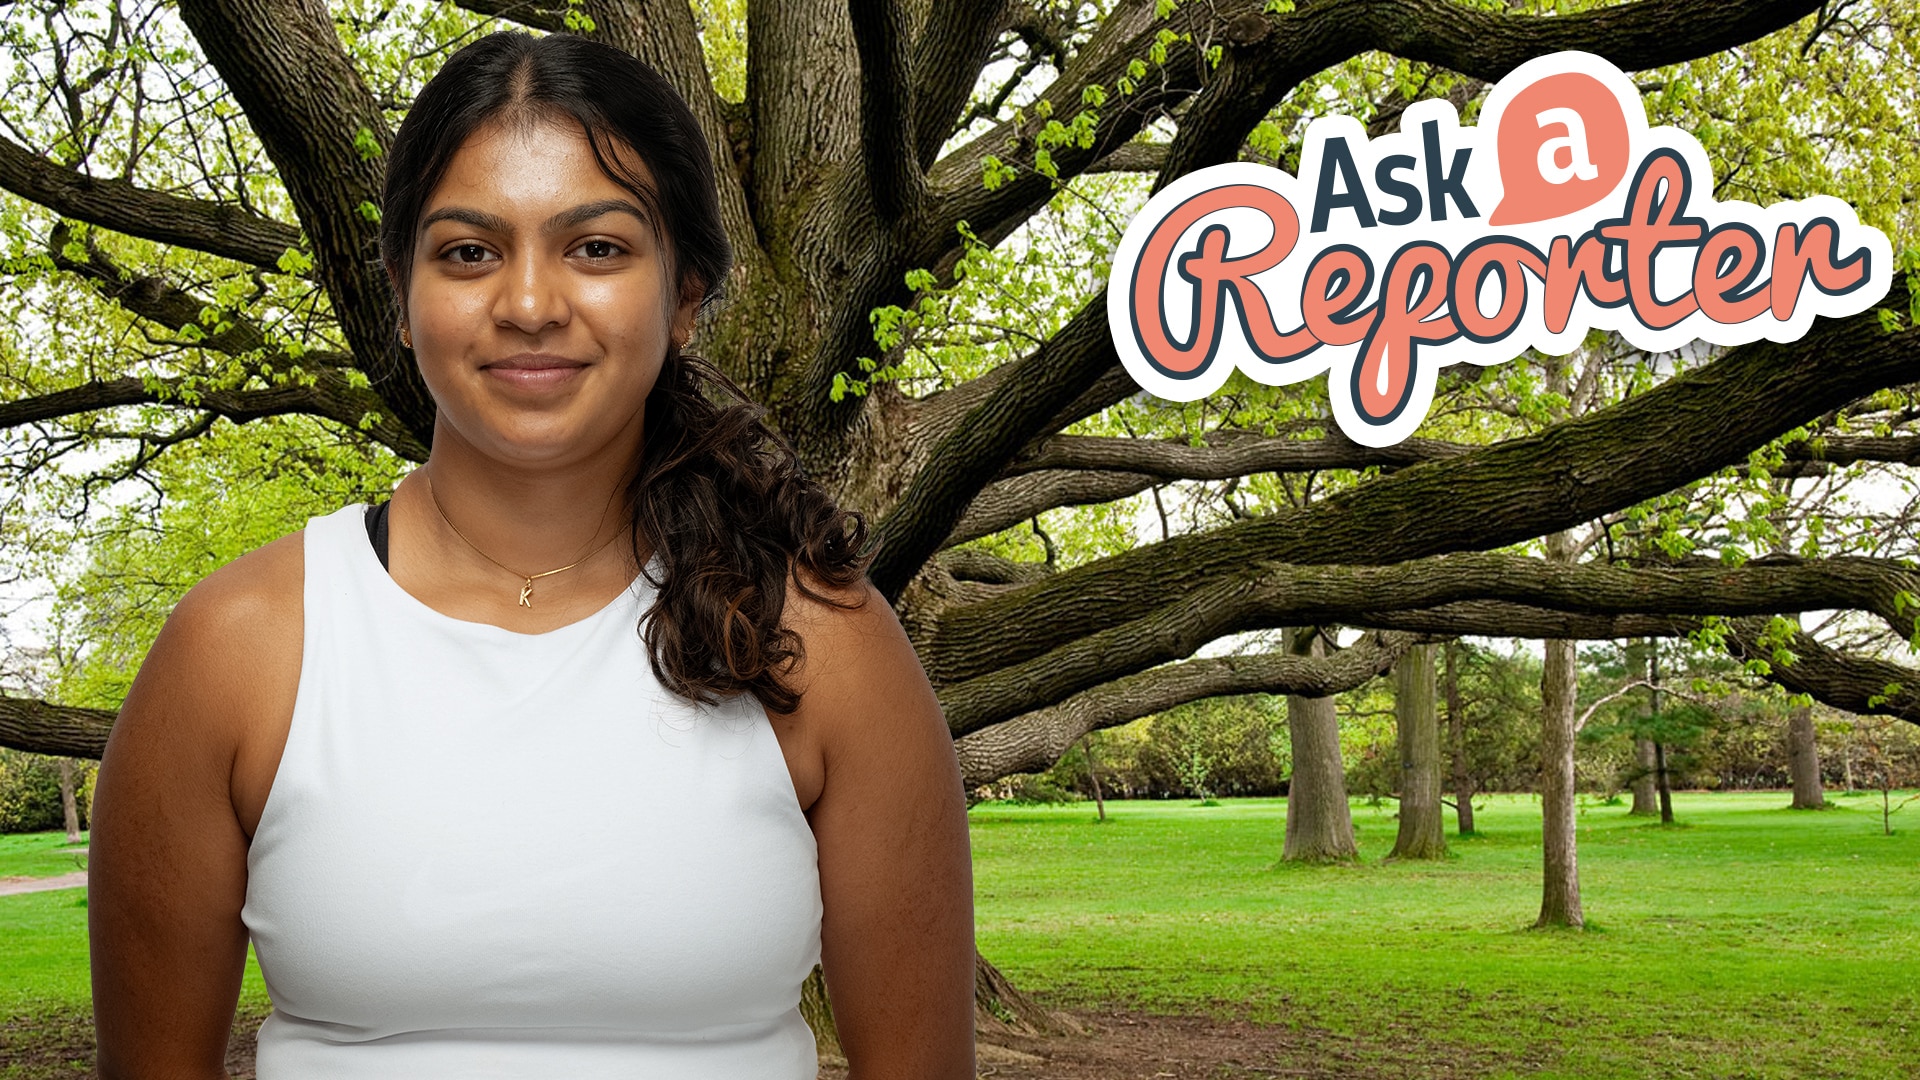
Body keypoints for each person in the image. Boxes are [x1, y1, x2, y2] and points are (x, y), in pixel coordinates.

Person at [86, 30, 976, 1079]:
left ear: (685, 294)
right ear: (401, 294)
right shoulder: (239, 650)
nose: (529, 305)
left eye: (596, 248)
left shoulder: (820, 643)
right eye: (469, 251)